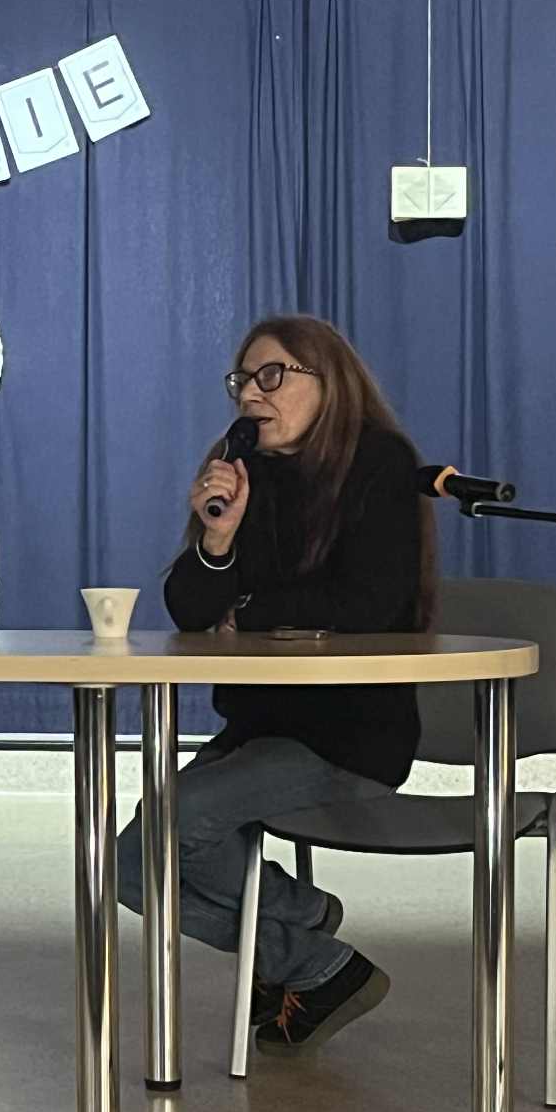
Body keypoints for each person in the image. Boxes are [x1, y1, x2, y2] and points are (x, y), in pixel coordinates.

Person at [116, 315, 437, 1053]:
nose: (250, 396)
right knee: (129, 867)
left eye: (272, 377)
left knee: (176, 823)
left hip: (348, 736)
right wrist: (218, 538)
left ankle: (306, 954)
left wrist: (253, 610)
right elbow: (191, 610)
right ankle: (307, 937)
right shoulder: (242, 472)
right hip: (260, 729)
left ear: (330, 383)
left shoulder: (379, 463)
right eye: (242, 381)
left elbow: (368, 602)